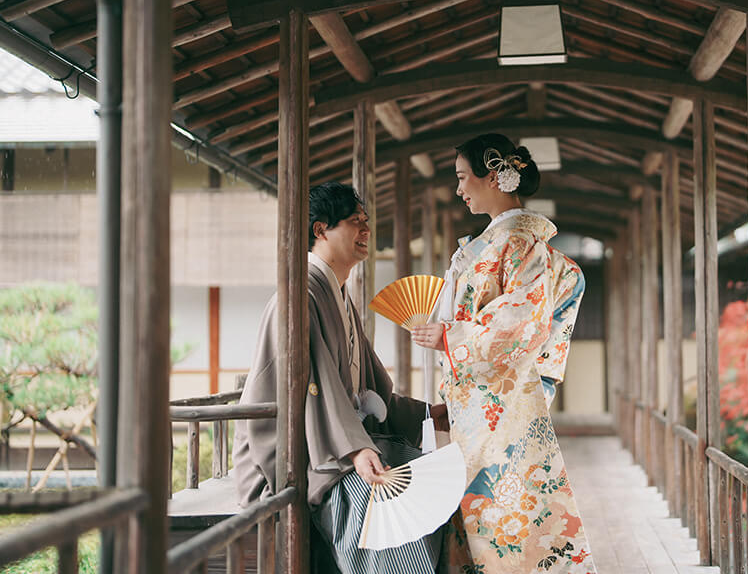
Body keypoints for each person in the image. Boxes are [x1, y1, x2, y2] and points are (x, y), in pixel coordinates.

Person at [233, 182, 449, 573]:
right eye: (355, 222)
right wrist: (354, 449)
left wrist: (427, 414)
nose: (366, 231)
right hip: (296, 454)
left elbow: (365, 390)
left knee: (429, 484)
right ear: (320, 230)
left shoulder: (336, 294)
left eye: (366, 222)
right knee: (388, 516)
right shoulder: (301, 295)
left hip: (331, 442)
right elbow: (317, 391)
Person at [411, 134, 596, 574]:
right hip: (481, 398)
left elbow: (522, 322)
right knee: (488, 513)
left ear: (493, 176)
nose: (459, 189)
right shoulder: (500, 243)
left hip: (500, 403)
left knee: (503, 514)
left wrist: (451, 336)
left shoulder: (517, 242)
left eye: (462, 177)